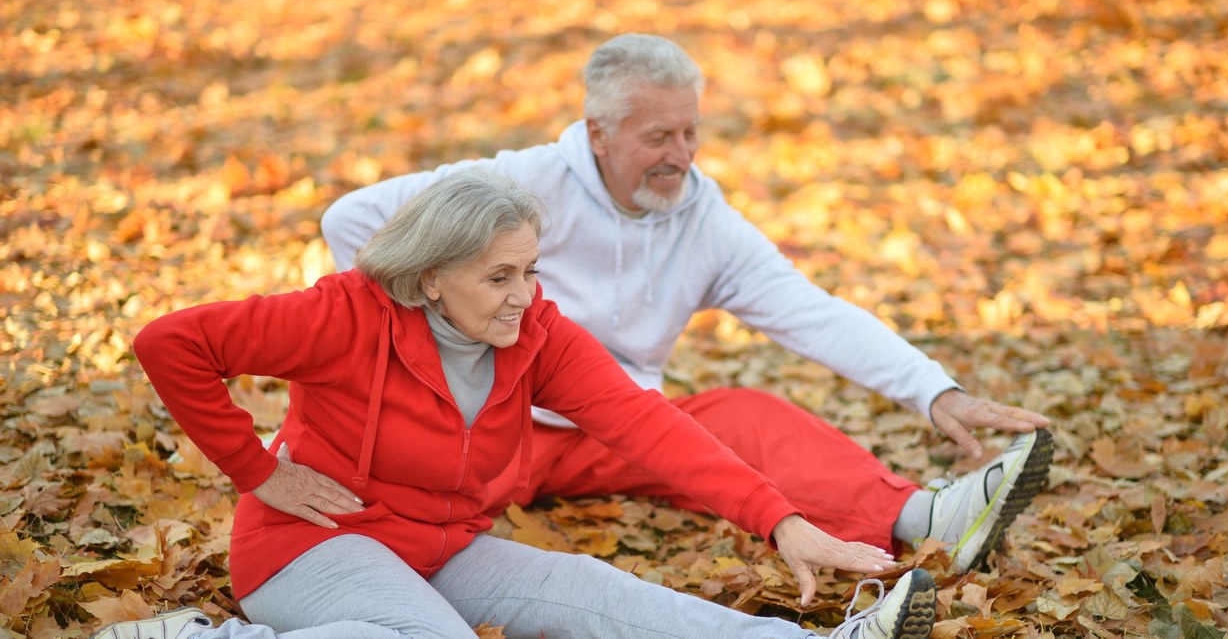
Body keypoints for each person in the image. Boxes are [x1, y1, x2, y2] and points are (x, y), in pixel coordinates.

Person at [320, 33, 1055, 574]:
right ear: (599, 134)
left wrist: (935, 391)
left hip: (613, 428)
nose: (682, 153)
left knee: (743, 417)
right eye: (658, 136)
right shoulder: (519, 183)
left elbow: (809, 311)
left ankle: (927, 515)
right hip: (482, 423)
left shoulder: (704, 220)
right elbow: (350, 221)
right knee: (409, 513)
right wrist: (442, 340)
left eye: (691, 131)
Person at [101, 169, 939, 639]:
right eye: (500, 277)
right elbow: (171, 343)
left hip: (439, 544)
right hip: (308, 546)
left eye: (532, 270)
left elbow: (651, 428)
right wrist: (256, 472)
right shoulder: (341, 315)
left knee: (600, 595)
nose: (524, 295)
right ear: (431, 277)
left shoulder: (536, 333)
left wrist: (779, 520)